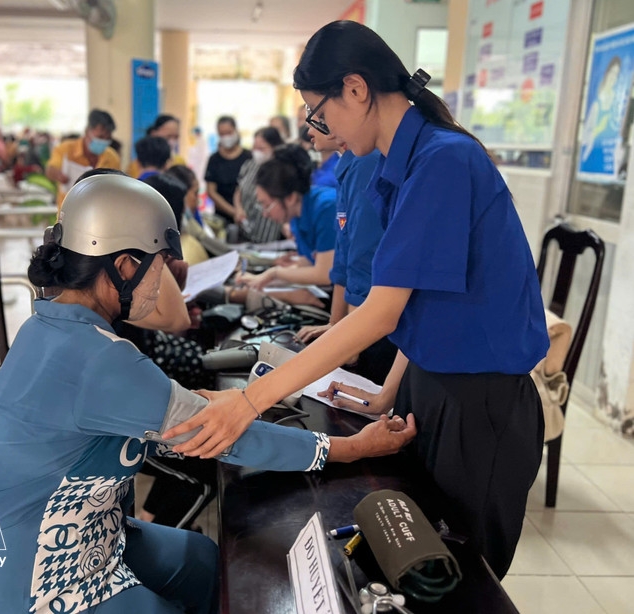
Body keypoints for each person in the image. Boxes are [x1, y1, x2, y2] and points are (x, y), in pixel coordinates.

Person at [162, 20, 549, 581]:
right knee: (415, 560)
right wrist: (388, 391)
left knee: (460, 577)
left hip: (478, 404)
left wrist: (247, 404)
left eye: (320, 114)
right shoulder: (403, 166)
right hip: (432, 386)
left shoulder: (443, 160)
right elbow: (423, 305)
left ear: (356, 88)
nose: (324, 132)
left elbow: (383, 311)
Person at [0, 173, 416, 613]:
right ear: (125, 265)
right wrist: (352, 447)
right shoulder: (102, 358)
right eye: (161, 265)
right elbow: (229, 437)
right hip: (33, 576)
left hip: (61, 533)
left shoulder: (48, 326)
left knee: (200, 558)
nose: (167, 278)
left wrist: (183, 403)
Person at [297, 128, 396, 385]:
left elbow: (363, 261)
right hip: (358, 318)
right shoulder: (348, 164)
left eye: (318, 117)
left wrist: (350, 340)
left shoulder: (367, 162)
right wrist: (336, 325)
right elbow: (343, 260)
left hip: (374, 320)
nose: (310, 128)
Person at [236, 144, 336, 290]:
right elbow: (306, 266)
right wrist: (260, 280)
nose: (265, 213)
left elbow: (324, 274)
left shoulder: (326, 208)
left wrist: (274, 274)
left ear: (290, 198)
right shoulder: (296, 214)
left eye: (266, 205)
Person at [46, 109, 121, 207]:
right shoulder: (66, 149)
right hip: (68, 213)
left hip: (99, 212)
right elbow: (50, 170)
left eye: (108, 139)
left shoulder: (112, 157)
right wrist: (59, 175)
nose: (103, 141)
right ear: (87, 131)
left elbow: (116, 187)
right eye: (100, 137)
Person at [233, 126, 285, 243]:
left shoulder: (281, 171)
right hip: (245, 233)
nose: (257, 152)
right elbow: (239, 190)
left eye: (262, 149)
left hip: (269, 237)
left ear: (274, 147)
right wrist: (238, 208)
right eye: (254, 148)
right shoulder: (249, 165)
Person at [203, 115, 251, 225]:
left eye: (229, 133)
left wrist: (241, 213)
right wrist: (234, 212)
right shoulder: (214, 159)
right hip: (222, 217)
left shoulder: (249, 157)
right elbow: (211, 191)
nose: (226, 137)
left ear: (236, 131)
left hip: (247, 215)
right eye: (222, 134)